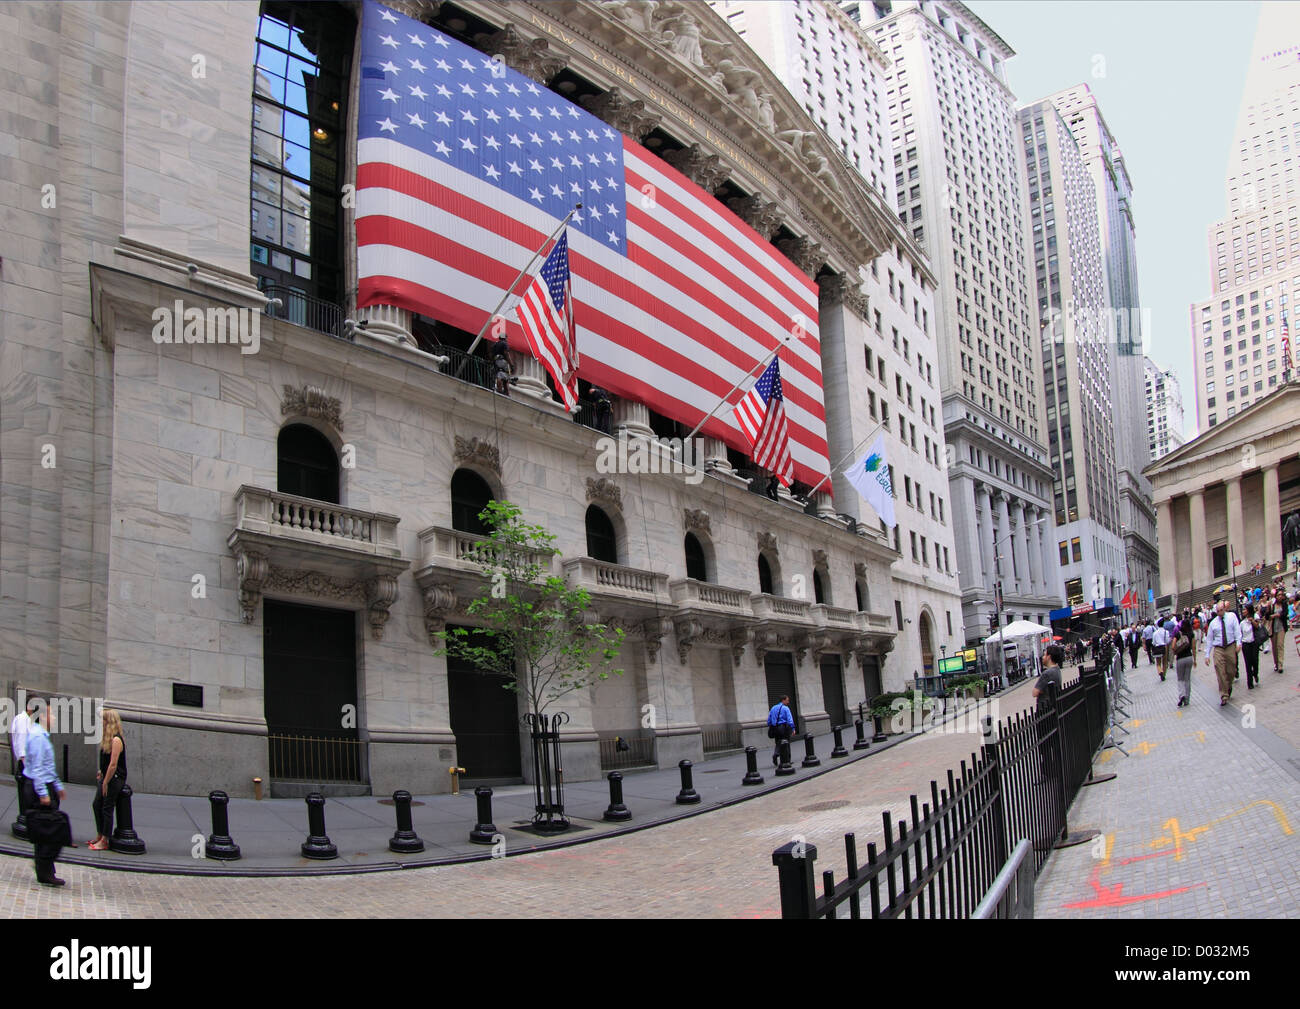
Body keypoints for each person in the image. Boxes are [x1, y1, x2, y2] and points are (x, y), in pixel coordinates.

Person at [22, 703, 67, 886]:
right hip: (39, 787)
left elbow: (47, 766)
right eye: (52, 714)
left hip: (44, 785)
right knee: (53, 830)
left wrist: (57, 785)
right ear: (44, 717)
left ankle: (45, 869)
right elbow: (39, 768)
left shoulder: (41, 735)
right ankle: (43, 866)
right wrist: (43, 793)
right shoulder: (39, 737)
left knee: (46, 830)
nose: (55, 717)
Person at [89, 708, 127, 851]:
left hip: (115, 778)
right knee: (96, 803)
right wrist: (101, 772)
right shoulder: (107, 738)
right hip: (106, 777)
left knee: (107, 807)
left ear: (109, 722)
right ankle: (100, 834)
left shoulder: (116, 739)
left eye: (103, 720)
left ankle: (105, 839)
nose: (101, 723)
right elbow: (106, 761)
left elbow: (113, 764)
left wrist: (105, 782)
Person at [1203, 600, 1241, 706]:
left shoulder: (1232, 617)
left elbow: (1237, 630)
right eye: (1218, 611)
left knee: (1231, 670)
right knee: (1220, 670)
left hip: (1230, 646)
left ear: (1225, 609)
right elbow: (1209, 639)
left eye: (1221, 610)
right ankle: (1224, 694)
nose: (1220, 613)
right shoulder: (1213, 623)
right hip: (1219, 648)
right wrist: (1207, 655)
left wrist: (1239, 643)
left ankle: (1228, 686)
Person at [10, 697, 32, 820]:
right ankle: (25, 819)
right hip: (26, 765)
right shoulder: (23, 720)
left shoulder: (25, 720)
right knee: (25, 797)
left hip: (26, 765)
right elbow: (22, 746)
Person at [1172, 617, 1196, 707]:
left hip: (1180, 659)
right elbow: (1194, 647)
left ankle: (1181, 695)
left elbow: (1173, 646)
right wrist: (1195, 659)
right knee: (1187, 679)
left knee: (1180, 679)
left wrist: (1177, 650)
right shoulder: (1191, 634)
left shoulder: (1178, 634)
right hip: (1189, 657)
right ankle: (1187, 699)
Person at [766, 695, 794, 767]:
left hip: (775, 728)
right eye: (787, 700)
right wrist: (793, 729)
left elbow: (769, 720)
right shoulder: (785, 708)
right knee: (786, 743)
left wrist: (771, 726)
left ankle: (776, 754)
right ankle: (787, 760)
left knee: (778, 742)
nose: (788, 702)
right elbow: (790, 720)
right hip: (784, 728)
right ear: (783, 700)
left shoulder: (773, 708)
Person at [1240, 604, 1261, 690]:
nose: (1243, 611)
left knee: (1255, 661)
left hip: (1254, 643)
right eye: (1243, 610)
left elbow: (1257, 627)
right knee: (1248, 664)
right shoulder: (1242, 623)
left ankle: (1255, 673)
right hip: (1245, 644)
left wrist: (1252, 621)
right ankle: (1250, 682)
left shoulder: (1255, 616)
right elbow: (1240, 634)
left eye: (1245, 609)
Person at [1268, 599, 1288, 674]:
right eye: (1278, 595)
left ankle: (1280, 665)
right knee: (1274, 647)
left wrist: (1277, 615)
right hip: (1273, 628)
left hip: (1281, 627)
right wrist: (1268, 609)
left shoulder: (1284, 604)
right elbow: (1267, 617)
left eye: (1281, 595)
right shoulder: (1272, 605)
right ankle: (1276, 663)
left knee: (1280, 645)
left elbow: (1285, 614)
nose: (1280, 597)